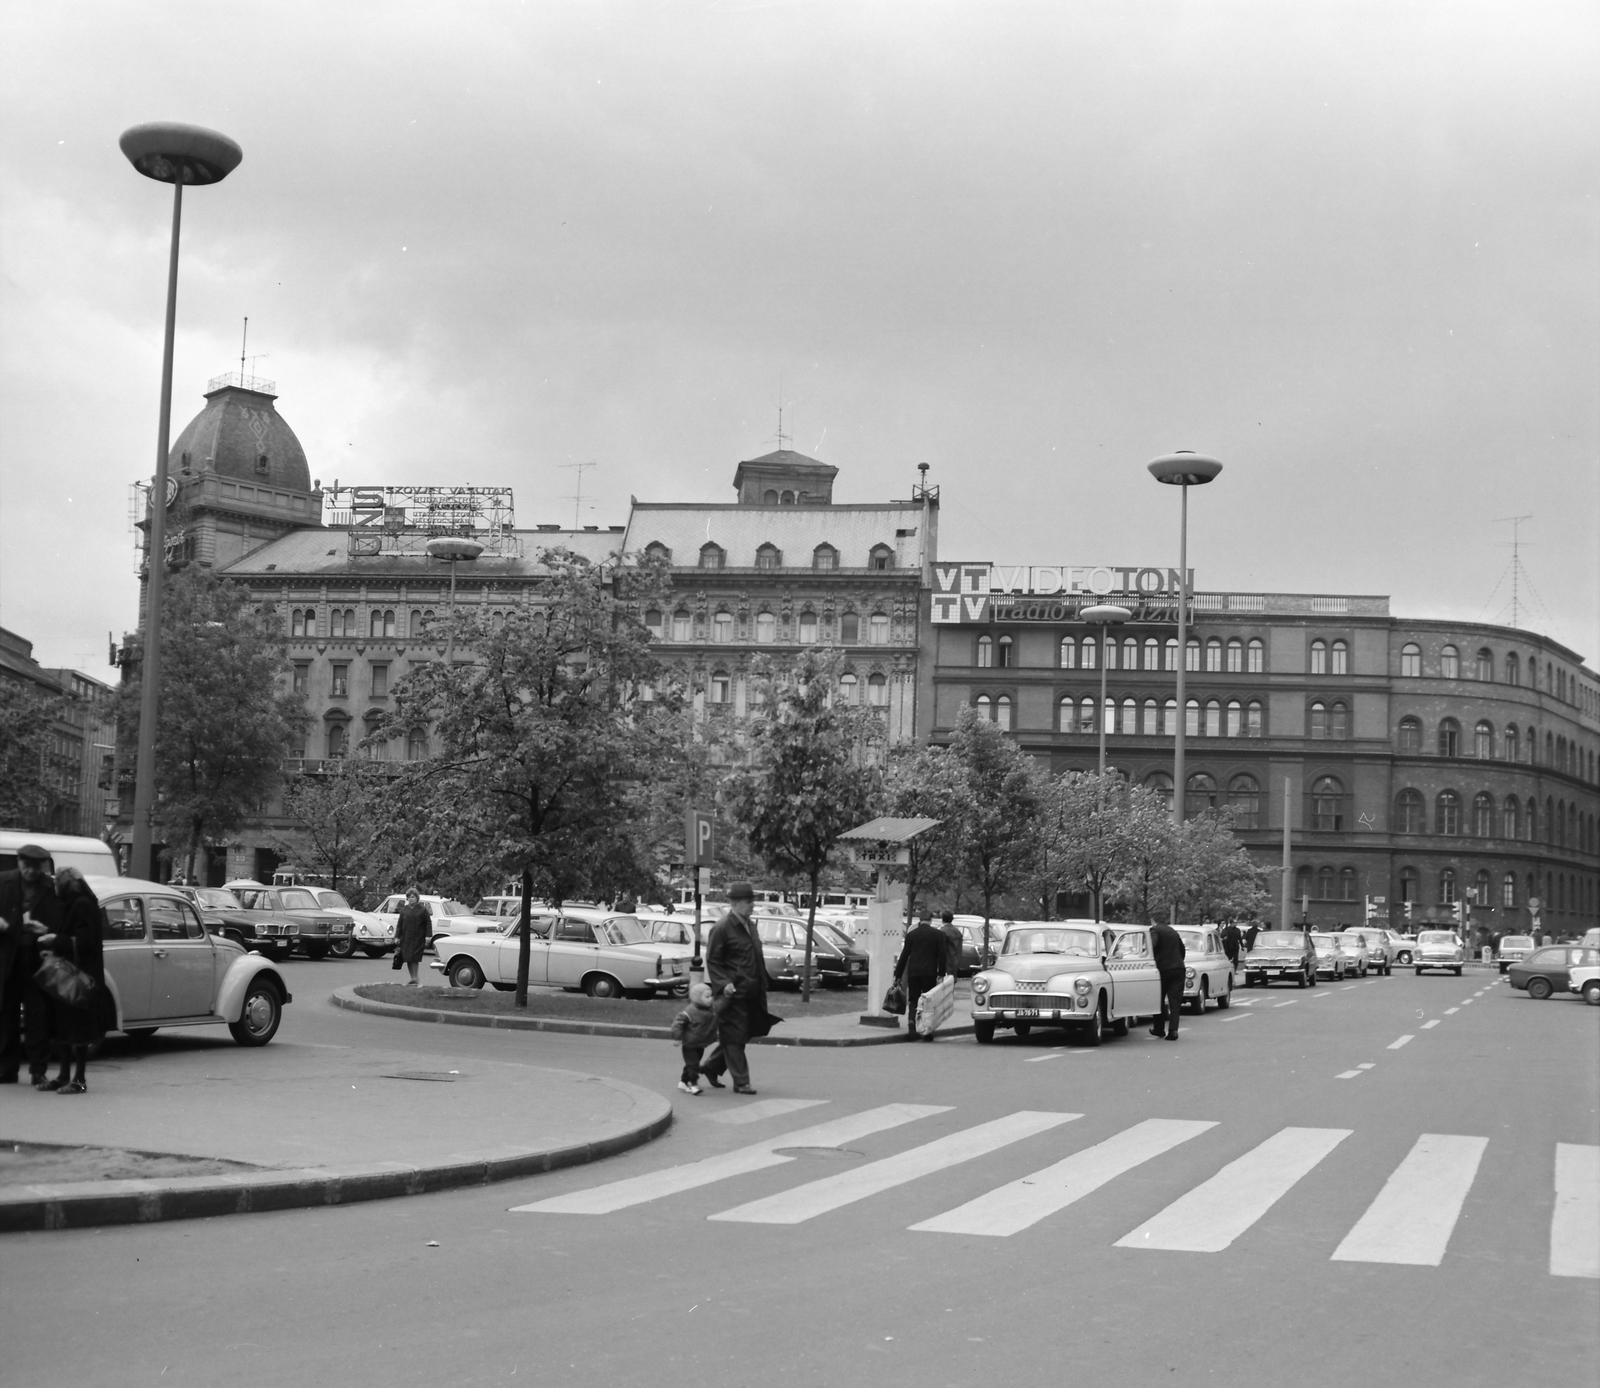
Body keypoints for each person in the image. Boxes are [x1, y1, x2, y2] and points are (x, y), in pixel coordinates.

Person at [36, 867, 115, 1094]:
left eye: (58, 881)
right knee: (64, 1027)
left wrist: (55, 939)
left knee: (78, 1030)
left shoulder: (81, 903)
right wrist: (49, 934)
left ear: (68, 882)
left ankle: (78, 1079)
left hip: (79, 975)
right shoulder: (76, 902)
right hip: (71, 973)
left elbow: (85, 941)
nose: (56, 886)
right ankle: (63, 1076)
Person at [0, 844, 64, 1085]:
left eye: (36, 868)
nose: (31, 872)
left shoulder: (50, 887)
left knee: (38, 1015)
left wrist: (46, 930)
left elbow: (60, 923)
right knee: (6, 1014)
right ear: (19, 863)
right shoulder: (3, 881)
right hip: (8, 959)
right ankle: (6, 1069)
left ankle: (38, 1070)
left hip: (38, 960)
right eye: (27, 866)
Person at [704, 882, 775, 1094]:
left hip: (751, 991)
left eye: (752, 901)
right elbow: (713, 961)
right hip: (732, 993)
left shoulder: (750, 925)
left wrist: (764, 983)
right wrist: (724, 984)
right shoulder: (722, 928)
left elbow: (755, 957)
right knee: (734, 1036)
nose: (752, 905)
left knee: (740, 1035)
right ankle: (742, 1082)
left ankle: (711, 1066)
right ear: (734, 903)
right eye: (748, 901)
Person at [894, 911, 949, 1042]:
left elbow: (904, 955)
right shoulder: (938, 935)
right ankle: (927, 1031)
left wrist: (898, 974)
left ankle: (912, 1024)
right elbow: (943, 955)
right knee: (927, 1001)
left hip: (913, 972)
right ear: (930, 920)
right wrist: (941, 973)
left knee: (913, 999)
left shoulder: (912, 935)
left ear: (920, 920)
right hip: (929, 973)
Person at [669, 981, 721, 1095]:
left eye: (711, 996)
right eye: (707, 996)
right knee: (694, 1065)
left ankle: (683, 1082)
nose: (710, 998)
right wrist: (677, 1038)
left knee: (692, 1063)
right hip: (690, 1044)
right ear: (697, 998)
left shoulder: (710, 1010)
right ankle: (694, 1084)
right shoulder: (689, 1012)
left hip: (700, 1043)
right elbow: (678, 1024)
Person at [1148, 918, 1187, 1041]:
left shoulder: (1155, 930)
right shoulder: (1173, 931)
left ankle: (1159, 1029)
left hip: (1163, 969)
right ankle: (1173, 1031)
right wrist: (1178, 961)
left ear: (1153, 920)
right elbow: (1182, 949)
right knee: (1175, 1001)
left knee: (1158, 999)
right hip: (1178, 968)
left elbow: (1152, 947)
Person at [393, 889, 432, 986]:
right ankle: (413, 978)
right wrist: (397, 936)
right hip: (406, 938)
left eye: (413, 897)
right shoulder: (404, 910)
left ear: (417, 898)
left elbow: (428, 923)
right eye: (409, 897)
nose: (411, 899)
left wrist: (428, 936)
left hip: (418, 938)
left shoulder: (422, 910)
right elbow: (399, 924)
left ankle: (415, 978)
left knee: (414, 958)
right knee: (408, 958)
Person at [938, 910, 964, 977]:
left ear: (942, 919)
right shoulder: (957, 931)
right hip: (955, 960)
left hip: (945, 962)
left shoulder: (941, 931)